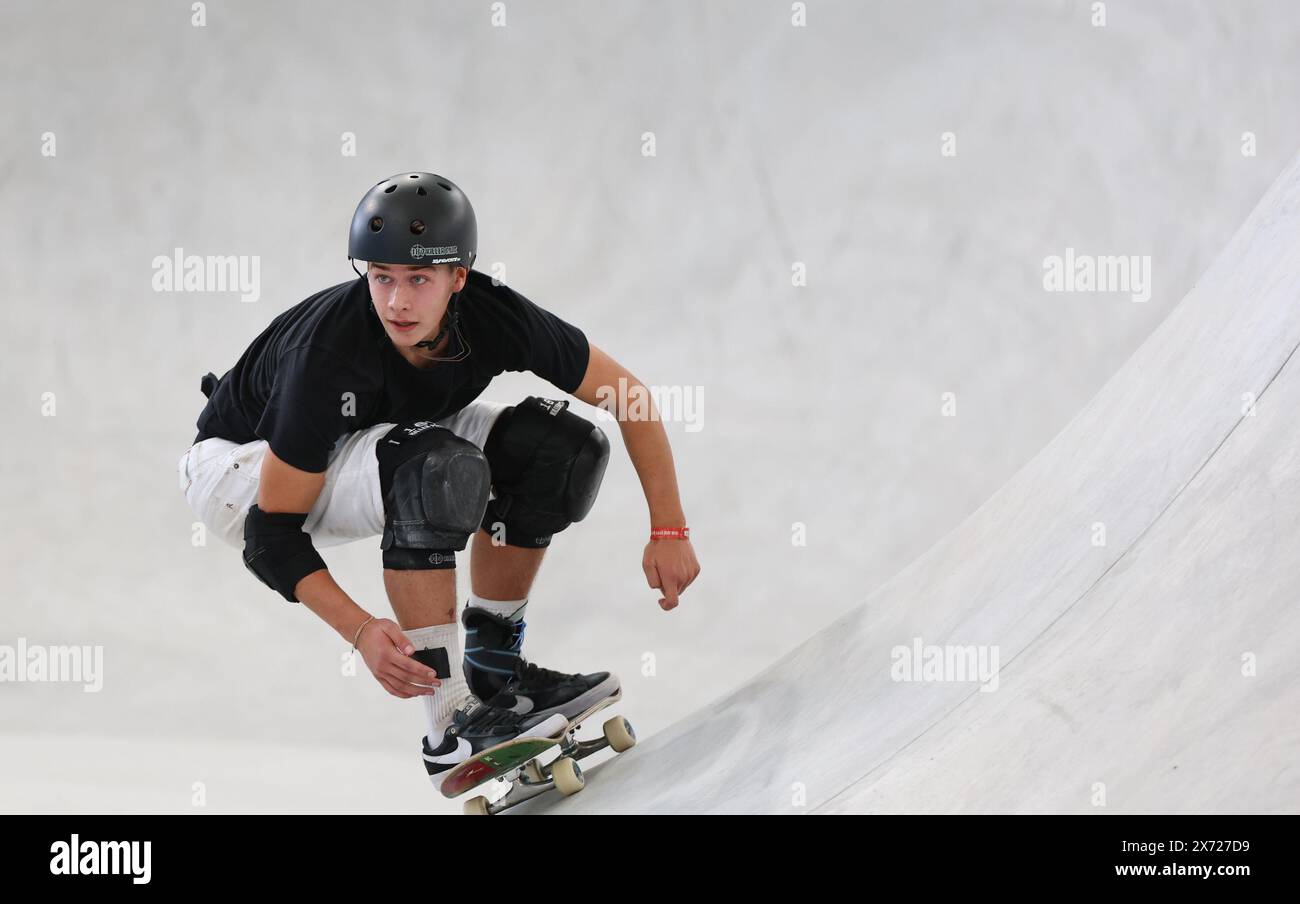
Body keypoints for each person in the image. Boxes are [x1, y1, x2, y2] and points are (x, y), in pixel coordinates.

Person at [176, 172, 700, 792]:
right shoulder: (328, 355)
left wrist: (668, 527)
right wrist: (362, 631)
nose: (397, 302)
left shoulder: (495, 316)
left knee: (556, 450)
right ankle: (450, 724)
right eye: (382, 278)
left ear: (459, 278)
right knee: (434, 468)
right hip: (240, 470)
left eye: (418, 279)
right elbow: (271, 532)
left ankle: (496, 673)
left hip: (381, 431)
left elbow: (629, 398)